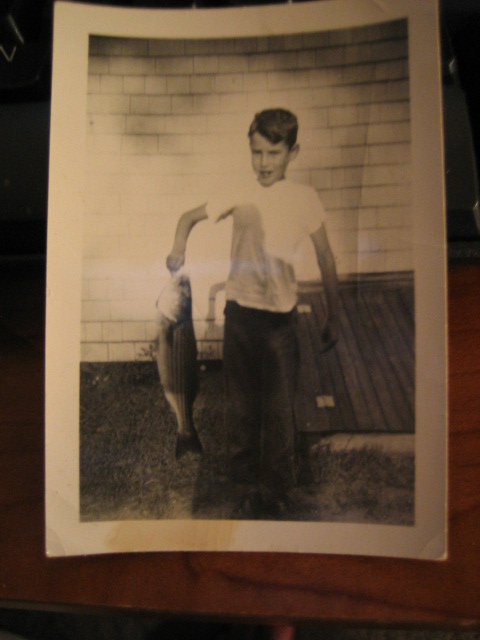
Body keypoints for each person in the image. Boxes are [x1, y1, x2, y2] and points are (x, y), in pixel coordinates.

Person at [167, 108, 339, 519]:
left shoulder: (305, 198)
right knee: (241, 409)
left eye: (273, 153)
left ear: (293, 152)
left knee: (279, 412)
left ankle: (276, 491)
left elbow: (326, 257)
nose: (263, 163)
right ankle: (243, 486)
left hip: (281, 323)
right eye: (256, 152)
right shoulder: (237, 192)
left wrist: (334, 314)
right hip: (241, 318)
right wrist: (177, 249)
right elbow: (188, 218)